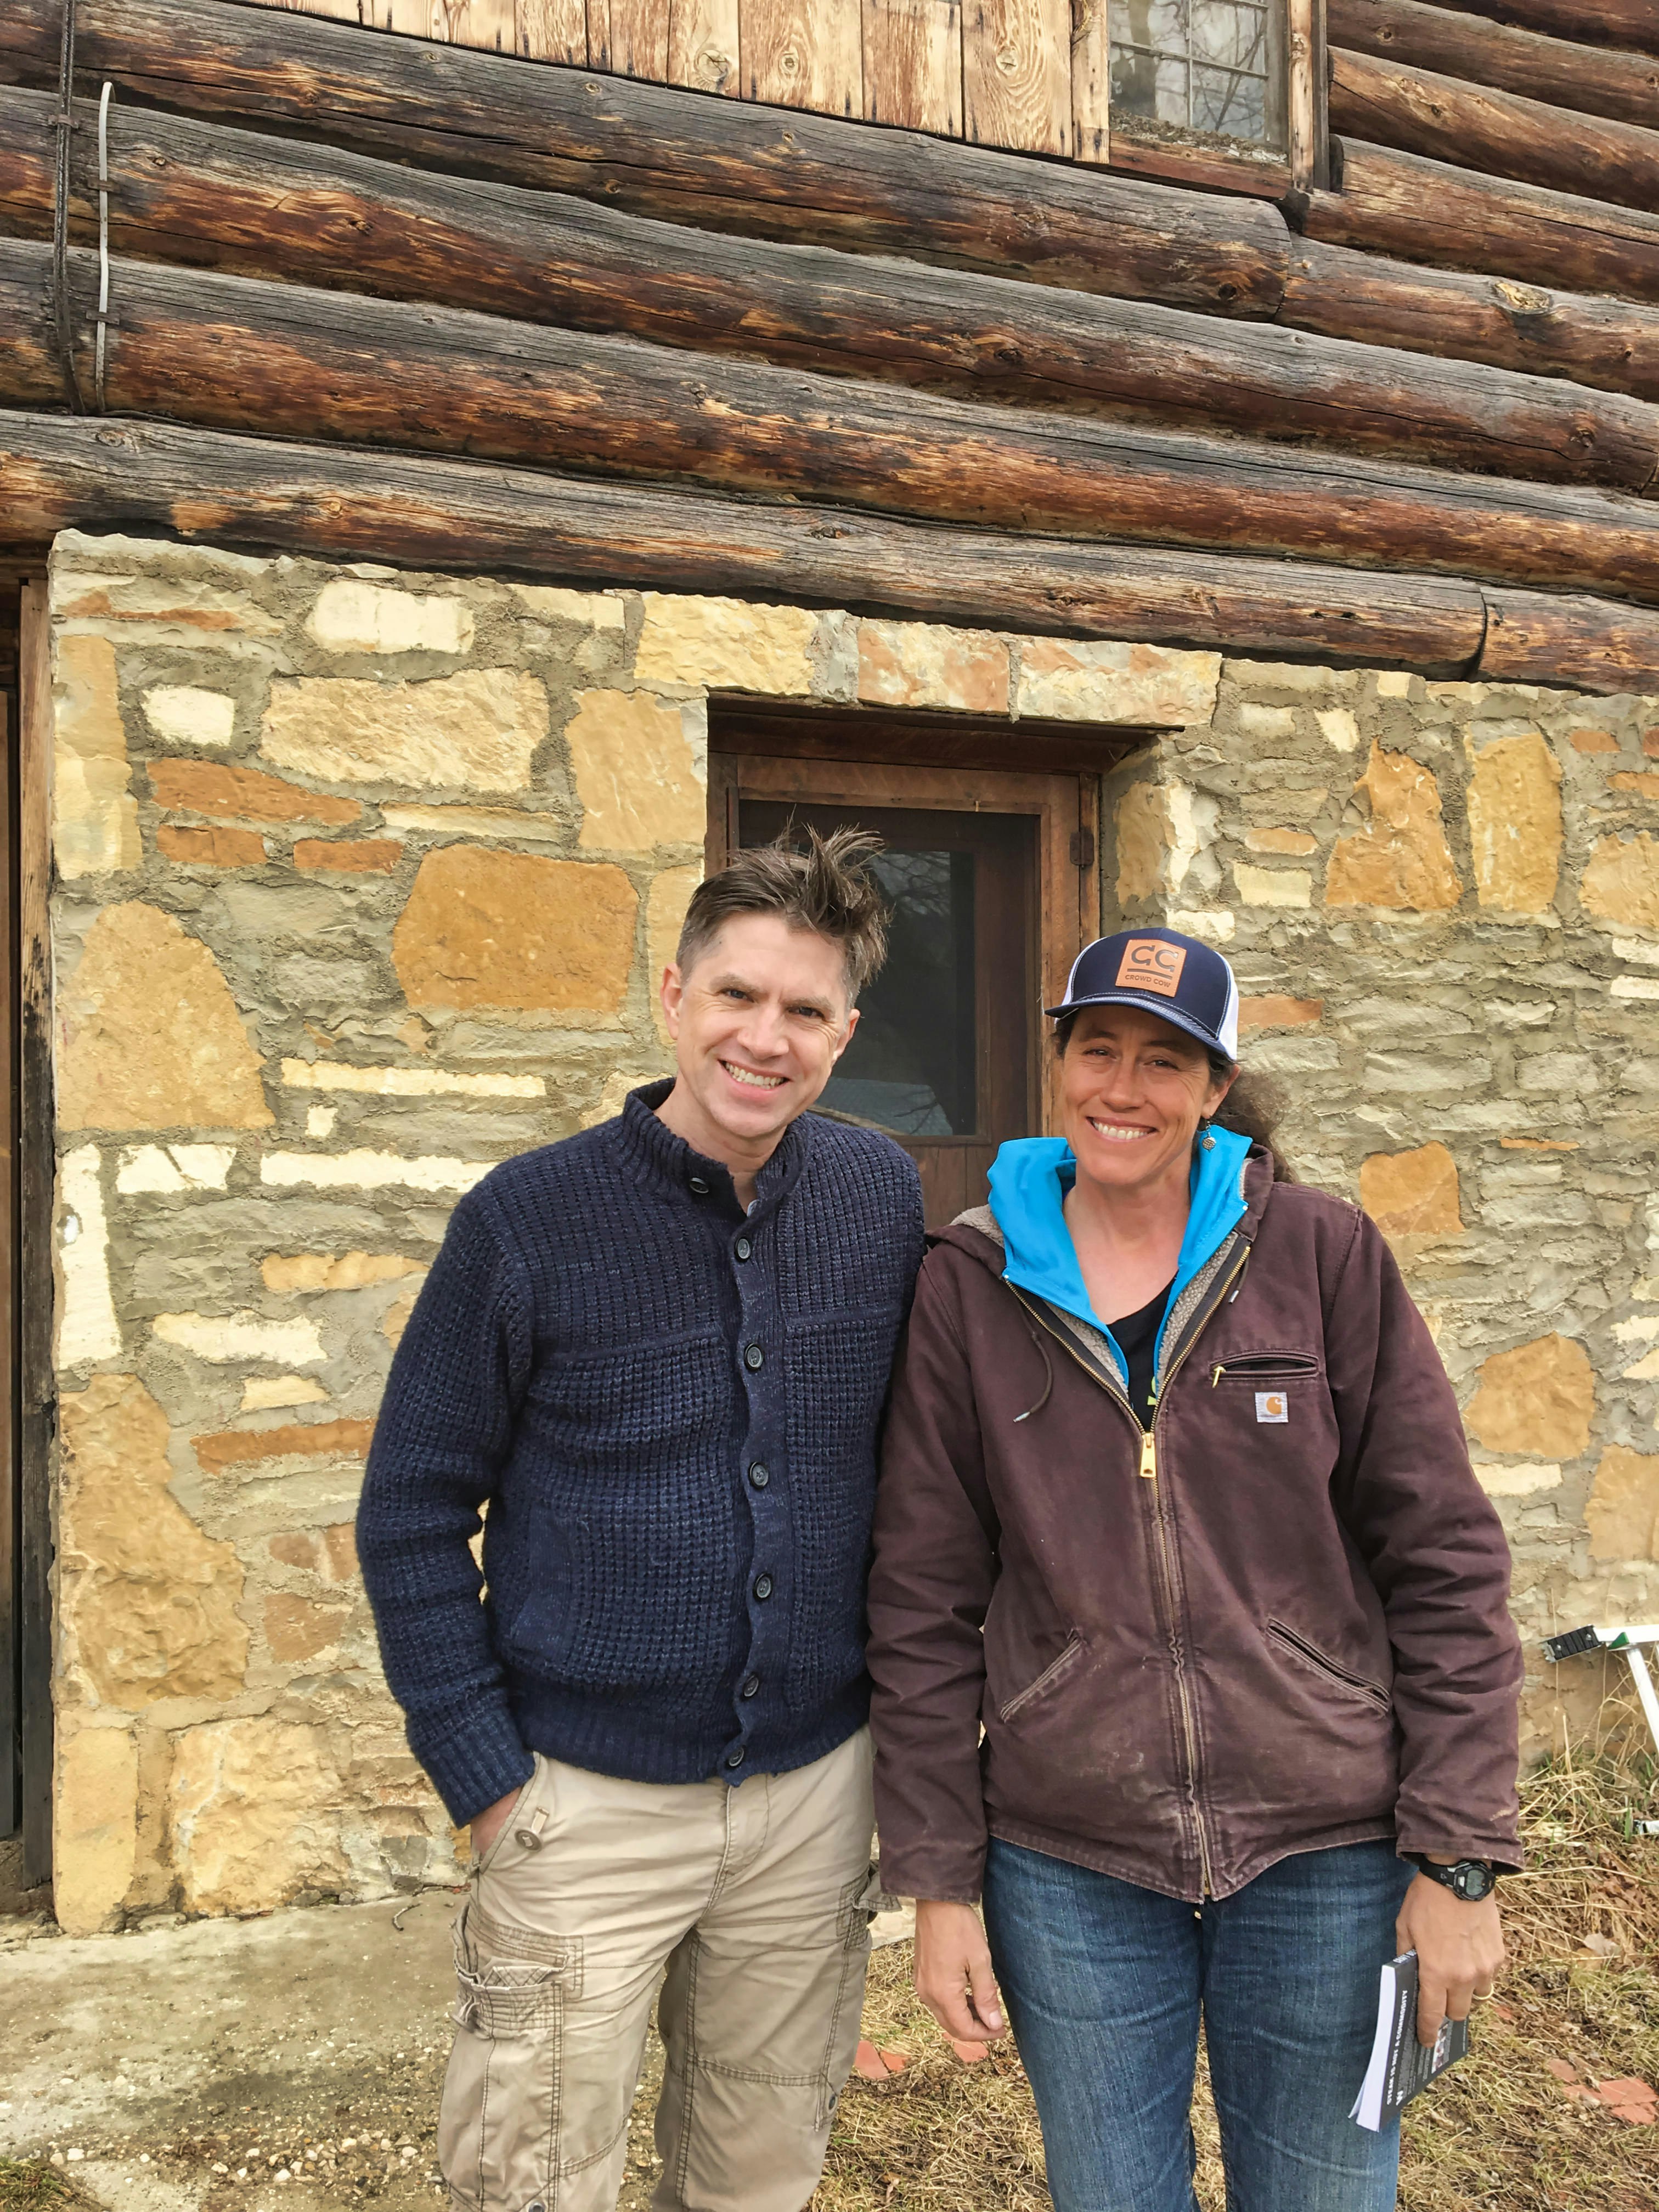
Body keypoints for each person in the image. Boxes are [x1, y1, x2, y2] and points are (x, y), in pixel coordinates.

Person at [865, 926, 1523, 2212]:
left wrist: (1456, 1861)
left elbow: (1445, 1559)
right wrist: (940, 1883)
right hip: (1071, 1859)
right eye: (1098, 1049)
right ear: (1056, 1064)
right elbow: (922, 1601)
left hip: (1326, 1848)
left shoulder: (1322, 1257)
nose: (1126, 1088)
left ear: (1216, 1089)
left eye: (1166, 1062)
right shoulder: (972, 1284)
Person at [358, 829, 924, 2212]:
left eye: (803, 1010)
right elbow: (411, 1511)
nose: (764, 1037)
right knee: (534, 2180)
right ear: (672, 996)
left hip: (807, 1799)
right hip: (580, 1806)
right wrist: (489, 1780)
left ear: (844, 1034)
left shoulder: (878, 1196)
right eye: (736, 995)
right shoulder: (527, 1220)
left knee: (759, 2176)